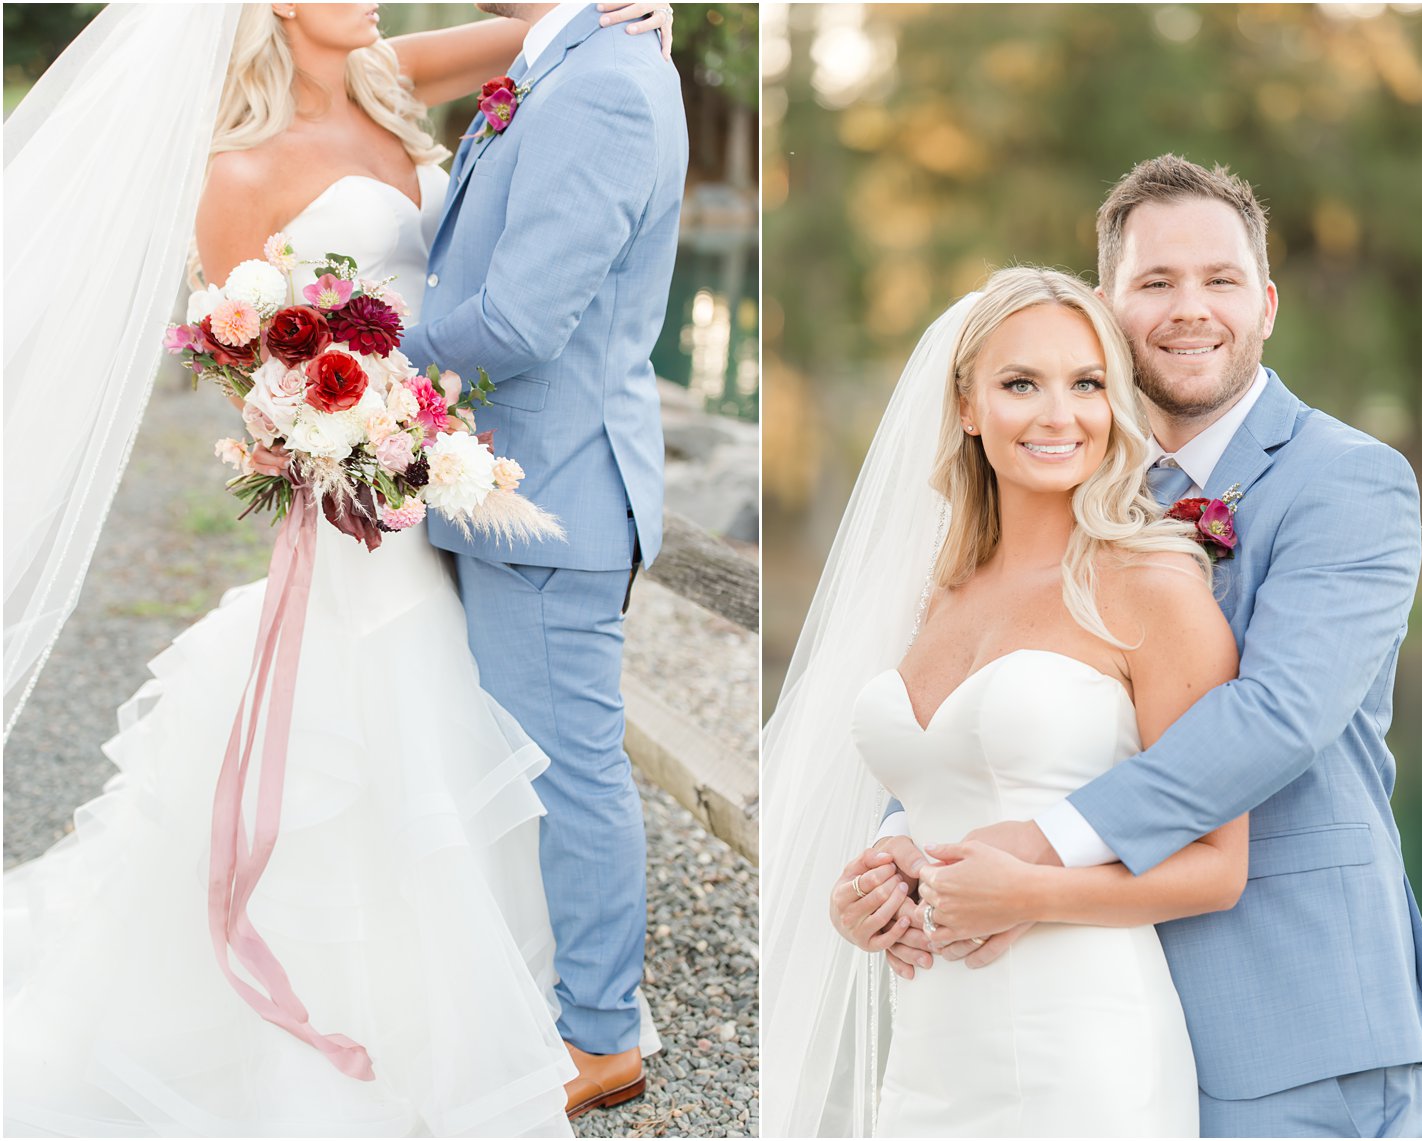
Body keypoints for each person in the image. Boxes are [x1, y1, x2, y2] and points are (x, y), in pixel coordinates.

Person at [3, 3, 675, 1135]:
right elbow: (252, 366)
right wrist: (337, 417)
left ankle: (546, 999)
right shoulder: (229, 164)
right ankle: (423, 1007)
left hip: (459, 468)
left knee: (511, 735)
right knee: (380, 741)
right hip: (375, 487)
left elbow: (546, 42)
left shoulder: (385, 74)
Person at [860, 156, 1422, 1137]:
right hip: (1087, 1005)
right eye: (1154, 282)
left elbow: (1276, 716)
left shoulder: (1347, 482)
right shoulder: (1066, 478)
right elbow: (994, 710)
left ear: (1264, 304)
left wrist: (1035, 849)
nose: (1190, 308)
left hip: (1293, 1018)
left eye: (1219, 280)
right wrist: (906, 852)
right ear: (1107, 307)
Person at [762, 265, 1251, 1137]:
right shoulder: (930, 590)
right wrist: (873, 887)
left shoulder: (1152, 585)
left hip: (1085, 1046)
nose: (1060, 414)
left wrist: (1029, 892)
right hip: (931, 1040)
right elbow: (933, 793)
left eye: (1088, 384)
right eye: (1021, 383)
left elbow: (1219, 866)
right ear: (966, 404)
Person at [397, 1, 688, 1117]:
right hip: (508, 482)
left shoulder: (607, 82)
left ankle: (602, 1033)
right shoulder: (564, 62)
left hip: (551, 492)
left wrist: (367, 353)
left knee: (571, 771)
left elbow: (520, 323)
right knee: (540, 758)